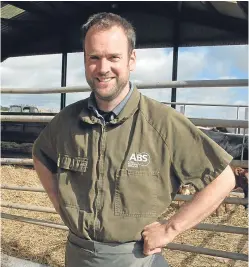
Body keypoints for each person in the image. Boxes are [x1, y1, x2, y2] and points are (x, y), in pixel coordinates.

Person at [32, 12, 236, 267]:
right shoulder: (66, 121)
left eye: (113, 57)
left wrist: (170, 229)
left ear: (131, 60)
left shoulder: (162, 123)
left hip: (134, 258)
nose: (103, 68)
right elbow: (41, 154)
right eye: (93, 58)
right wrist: (63, 208)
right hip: (77, 254)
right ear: (85, 61)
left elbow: (223, 179)